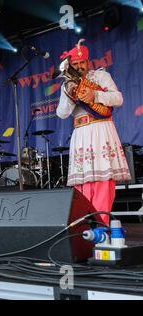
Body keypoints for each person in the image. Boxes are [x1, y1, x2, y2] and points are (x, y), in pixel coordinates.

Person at [56, 39, 131, 225]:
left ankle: (102, 225)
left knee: (104, 182)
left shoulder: (101, 77)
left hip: (102, 130)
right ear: (71, 65)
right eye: (76, 63)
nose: (80, 66)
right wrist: (70, 96)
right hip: (81, 133)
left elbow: (118, 98)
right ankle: (84, 228)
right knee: (83, 184)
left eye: (83, 62)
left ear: (88, 61)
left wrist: (95, 95)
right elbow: (61, 114)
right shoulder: (67, 84)